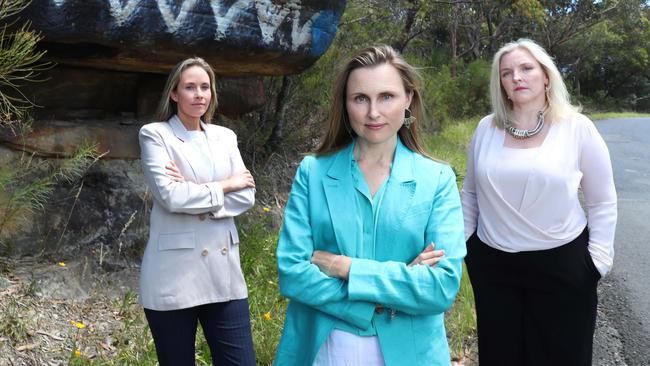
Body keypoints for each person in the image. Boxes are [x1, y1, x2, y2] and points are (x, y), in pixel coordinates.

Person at [273, 45, 466, 366]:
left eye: (386, 96)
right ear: (346, 105)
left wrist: (346, 268)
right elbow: (293, 273)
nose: (373, 112)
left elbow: (442, 286)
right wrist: (384, 294)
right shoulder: (314, 172)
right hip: (324, 348)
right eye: (360, 98)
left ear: (408, 99)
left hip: (411, 352)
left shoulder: (437, 179)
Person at [462, 38, 617, 366]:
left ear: (546, 76)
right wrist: (467, 247)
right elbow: (471, 195)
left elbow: (602, 200)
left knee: (562, 356)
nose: (516, 77)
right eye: (506, 73)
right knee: (502, 356)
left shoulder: (577, 128)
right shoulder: (485, 129)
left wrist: (597, 262)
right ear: (500, 83)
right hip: (493, 267)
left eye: (526, 68)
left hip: (564, 266)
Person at [138, 57, 256, 366]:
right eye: (190, 87)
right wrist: (226, 184)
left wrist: (199, 192)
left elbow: (247, 195)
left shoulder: (225, 137)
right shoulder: (155, 135)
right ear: (174, 93)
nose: (199, 94)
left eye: (205, 87)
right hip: (173, 275)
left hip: (225, 274)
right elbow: (171, 197)